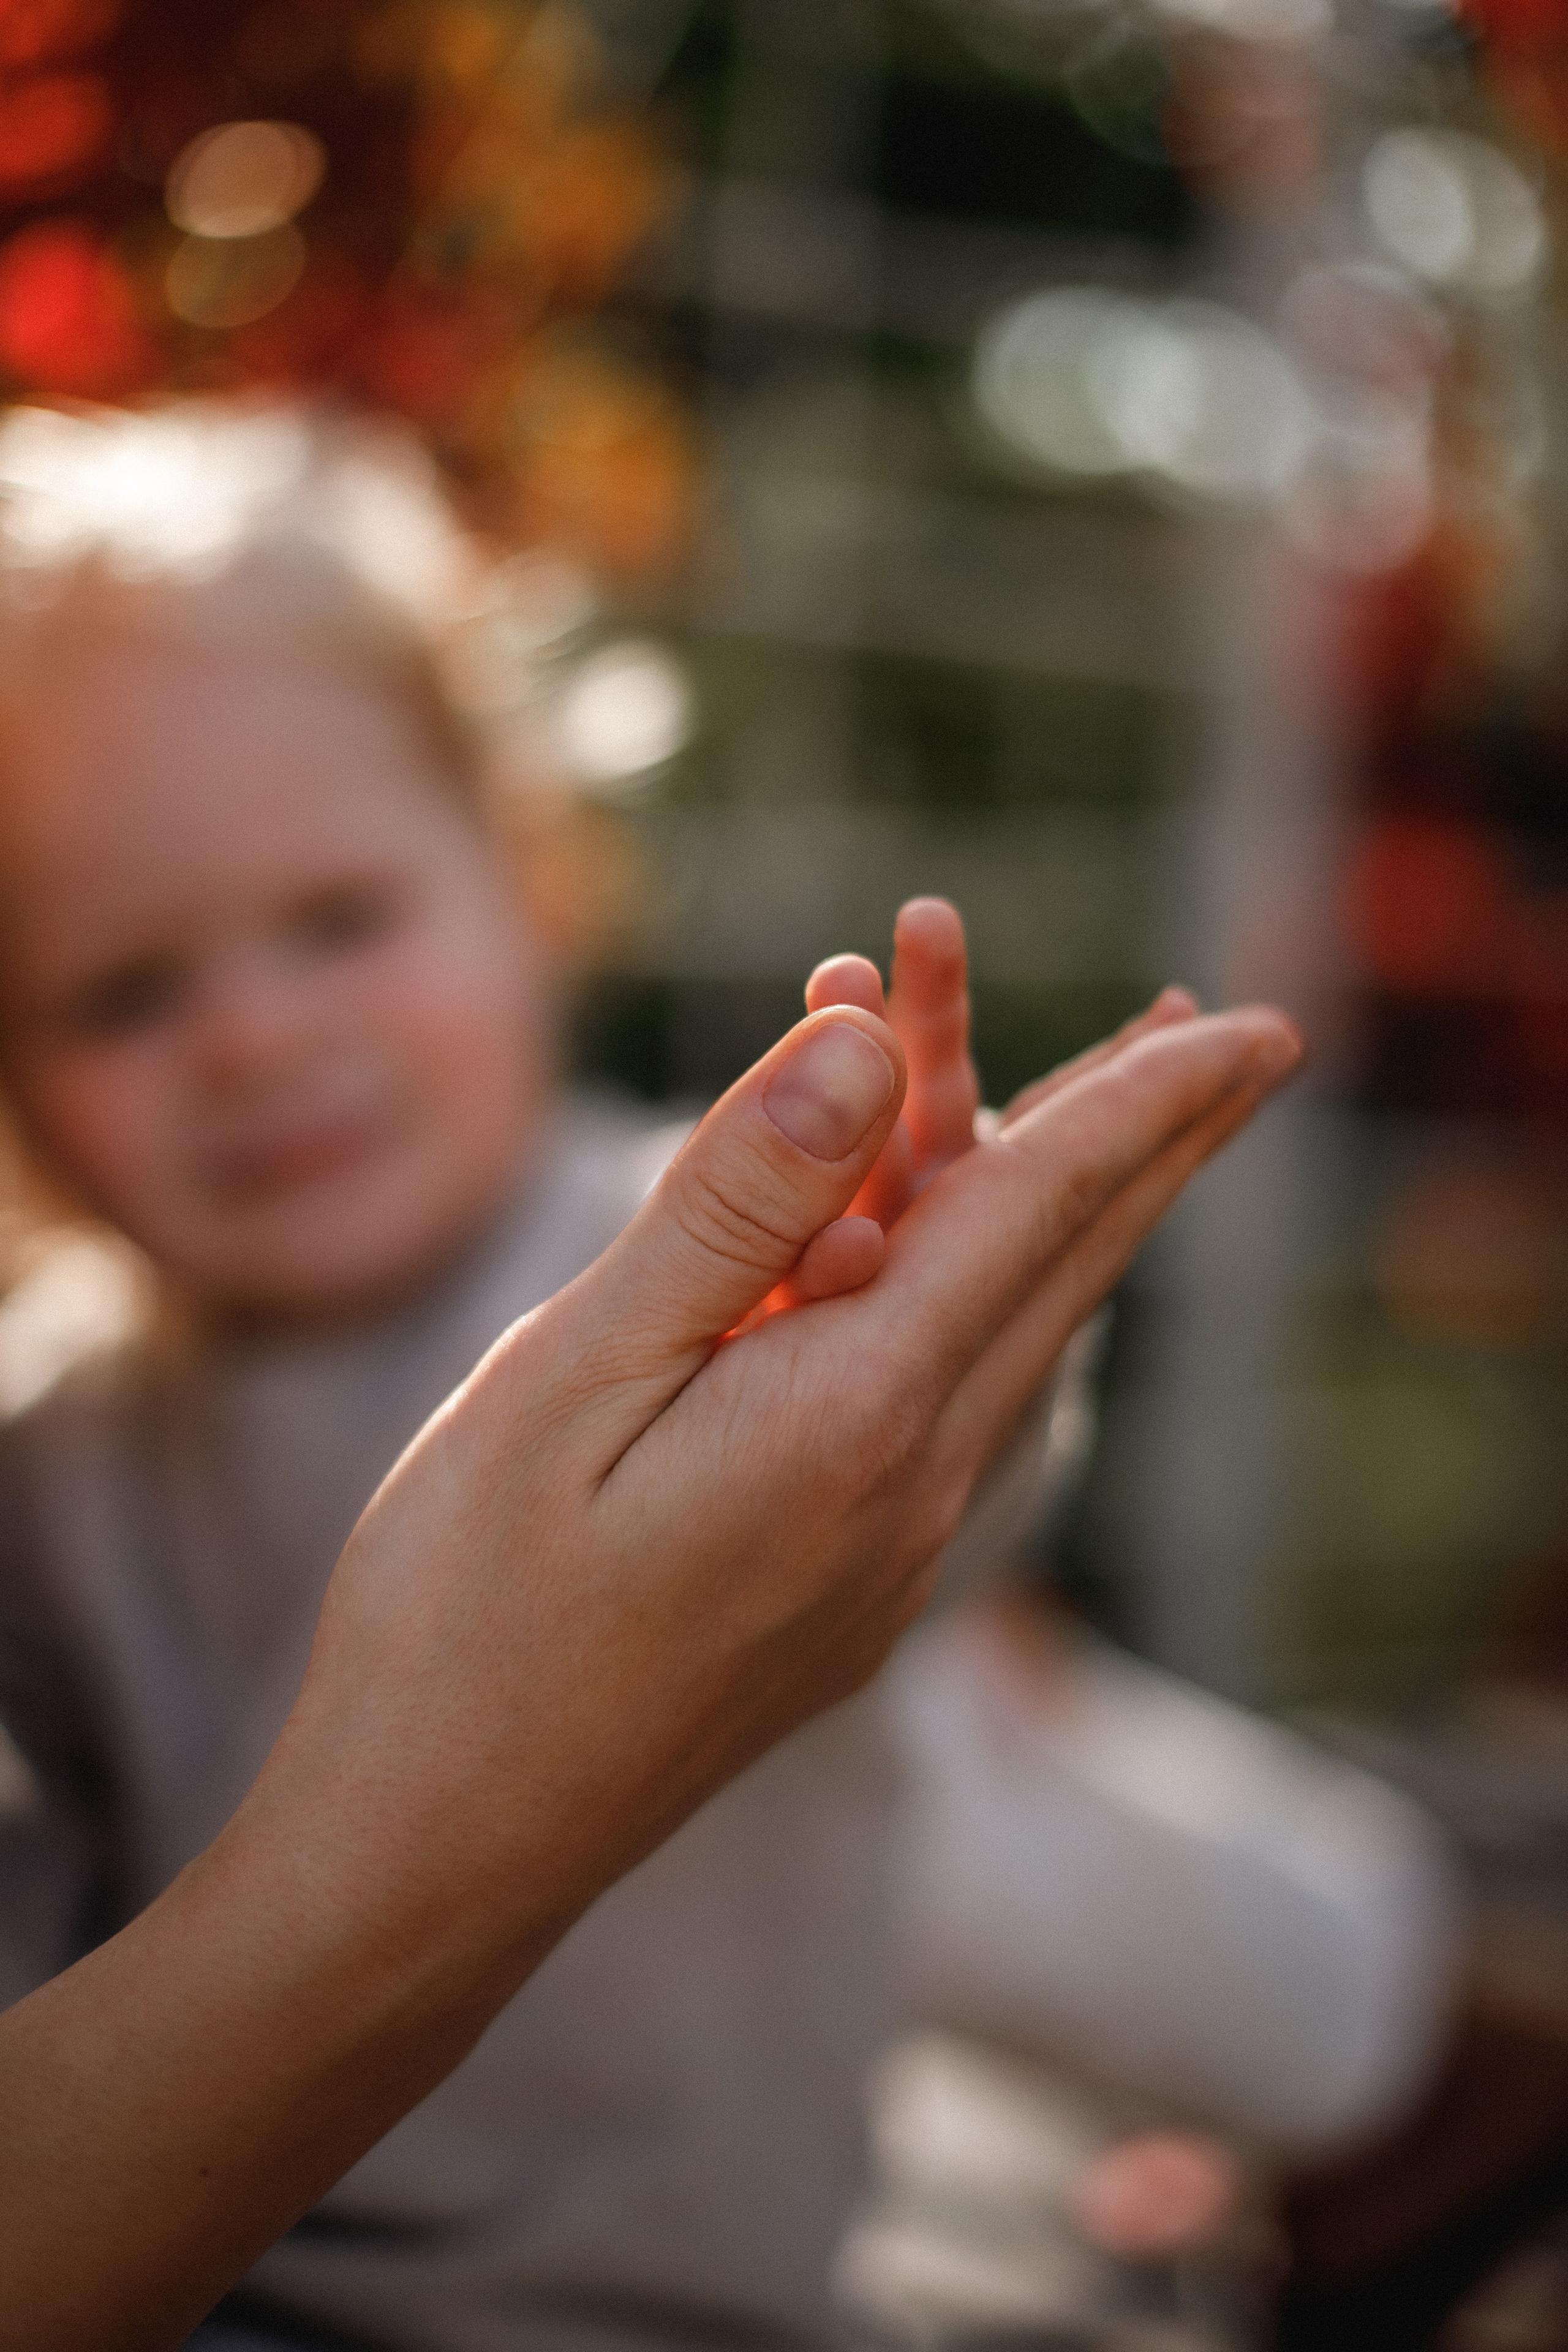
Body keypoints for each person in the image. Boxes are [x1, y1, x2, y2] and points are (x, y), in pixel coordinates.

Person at [0, 401, 1416, 2352]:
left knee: (1294, 1968)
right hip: (220, 2293)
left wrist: (927, 1316)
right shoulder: (57, 1448)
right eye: (127, 991)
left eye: (338, 921)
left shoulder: (671, 1241)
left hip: (701, 2298)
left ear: (534, 882)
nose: (252, 1036)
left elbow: (923, 1514)